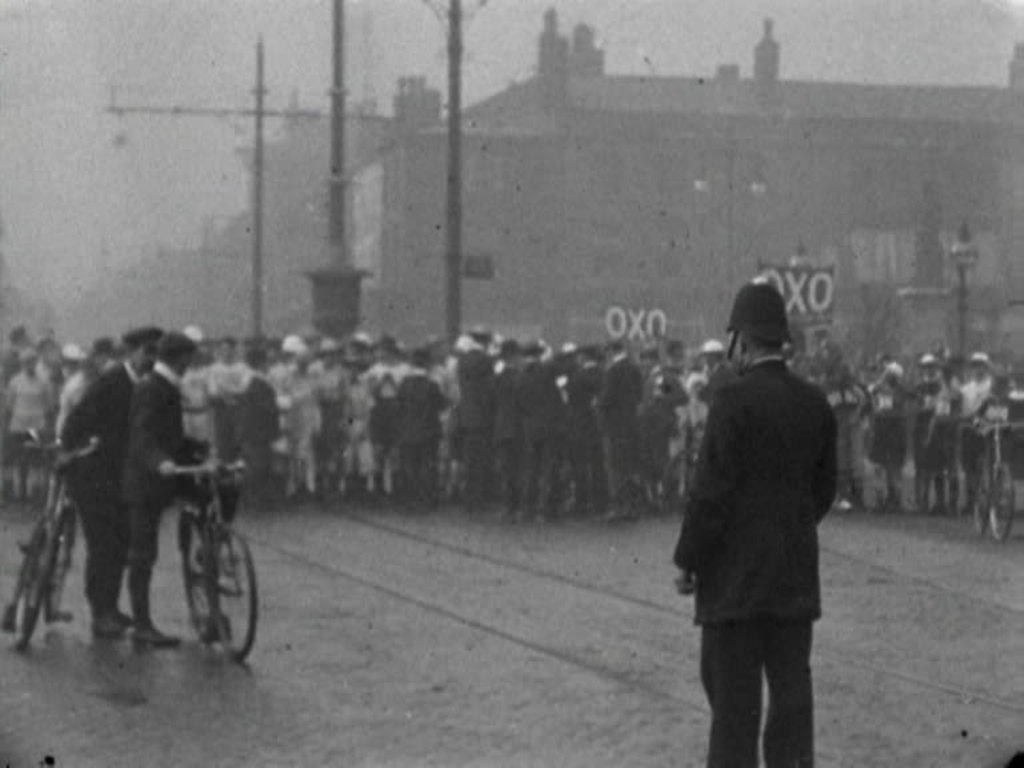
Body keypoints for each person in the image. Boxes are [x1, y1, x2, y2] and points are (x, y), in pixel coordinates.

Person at [673, 281, 837, 768]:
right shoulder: (814, 403)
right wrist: (790, 526)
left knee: (732, 711)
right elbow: (824, 489)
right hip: (793, 577)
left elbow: (710, 494)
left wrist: (688, 560)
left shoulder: (731, 402)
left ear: (740, 341)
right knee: (791, 704)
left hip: (734, 586)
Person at [62, 326, 163, 638]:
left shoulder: (149, 384)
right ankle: (100, 612)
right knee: (103, 544)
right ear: (131, 352)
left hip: (122, 477)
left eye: (155, 354)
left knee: (121, 543)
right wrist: (82, 448)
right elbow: (75, 423)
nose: (151, 359)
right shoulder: (111, 382)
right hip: (94, 475)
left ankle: (111, 607)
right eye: (147, 352)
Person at [122, 331, 205, 649]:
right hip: (145, 481)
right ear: (180, 359)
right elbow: (141, 435)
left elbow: (168, 433)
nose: (191, 365)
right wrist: (160, 462)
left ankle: (206, 561)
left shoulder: (164, 385)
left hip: (159, 476)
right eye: (189, 359)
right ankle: (142, 624)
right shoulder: (152, 388)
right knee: (143, 554)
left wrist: (197, 448)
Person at [599, 340, 644, 521]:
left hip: (615, 426)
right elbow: (639, 394)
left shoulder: (612, 372)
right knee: (630, 466)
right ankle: (632, 506)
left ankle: (619, 506)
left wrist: (599, 406)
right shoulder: (634, 369)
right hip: (631, 424)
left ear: (611, 351)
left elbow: (606, 399)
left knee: (616, 467)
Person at [396, 347, 447, 507]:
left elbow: (398, 406)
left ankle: (409, 497)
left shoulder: (404, 384)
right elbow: (442, 405)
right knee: (428, 465)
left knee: (409, 465)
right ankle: (428, 498)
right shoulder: (432, 385)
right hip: (429, 431)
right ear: (427, 364)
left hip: (408, 430)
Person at [4, 347, 54, 501]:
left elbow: (48, 407)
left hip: (36, 427)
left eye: (32, 362)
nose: (29, 365)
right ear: (22, 364)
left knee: (35, 460)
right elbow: (9, 406)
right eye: (26, 362)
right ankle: (19, 493)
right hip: (18, 426)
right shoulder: (15, 381)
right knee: (18, 460)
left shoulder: (44, 382)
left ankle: (35, 493)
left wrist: (47, 427)